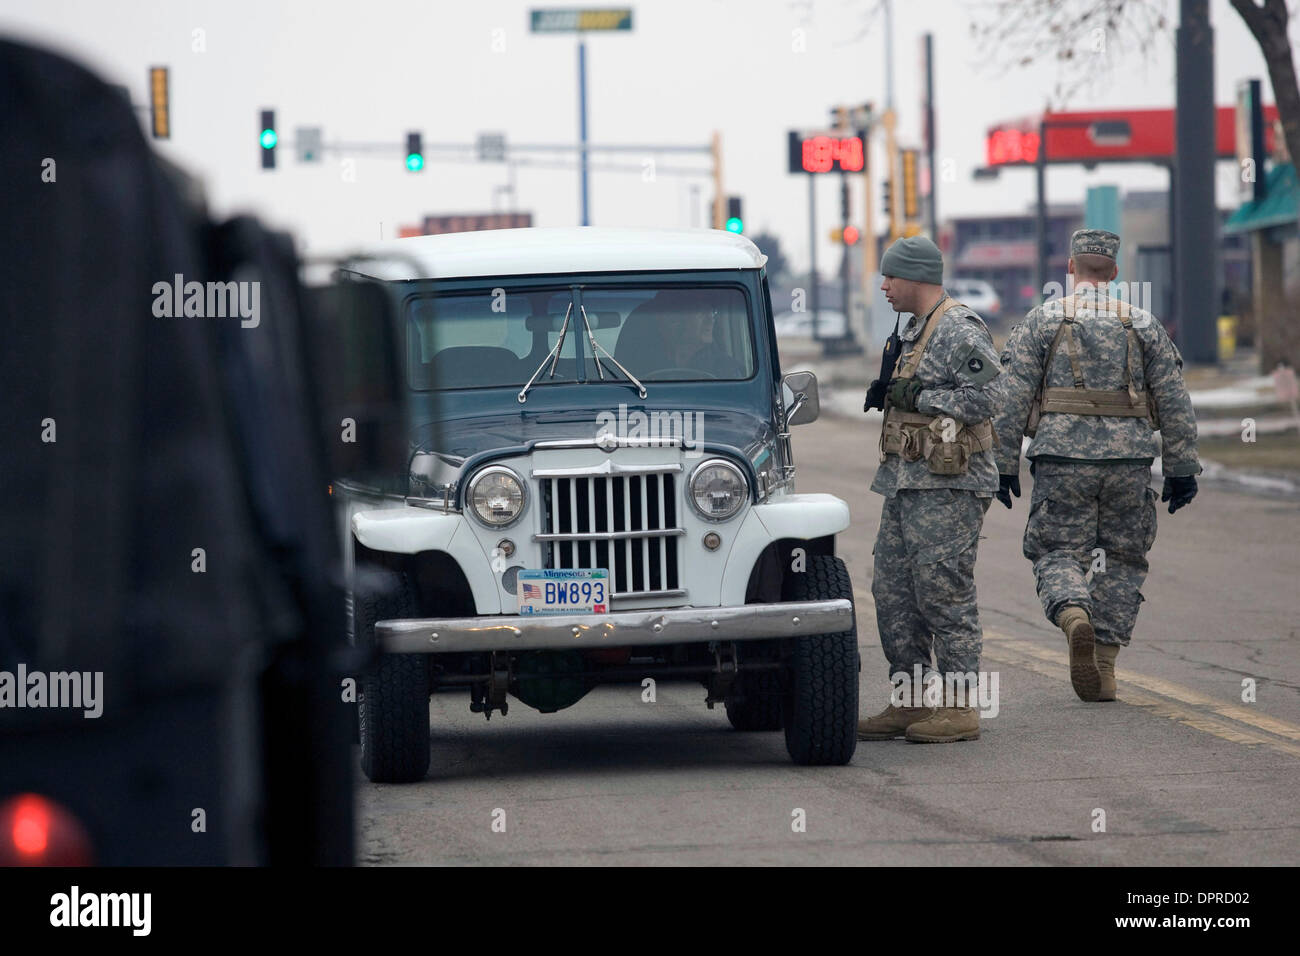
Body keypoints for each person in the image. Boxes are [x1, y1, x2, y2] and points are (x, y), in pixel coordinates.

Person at [991, 229, 1200, 702]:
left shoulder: (1043, 321)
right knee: (1123, 559)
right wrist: (1182, 465)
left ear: (1070, 268)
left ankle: (1073, 614)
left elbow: (1010, 398)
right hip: (1129, 461)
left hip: (1062, 459)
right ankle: (1103, 667)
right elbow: (1173, 398)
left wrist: (1002, 465)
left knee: (1058, 551)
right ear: (1115, 274)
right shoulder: (1142, 324)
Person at [857, 236, 1001, 744]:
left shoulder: (957, 329)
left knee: (943, 590)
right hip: (906, 481)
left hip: (948, 485)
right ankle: (911, 700)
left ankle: (962, 707)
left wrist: (922, 394)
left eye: (890, 277)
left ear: (914, 276)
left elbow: (990, 396)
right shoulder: (916, 331)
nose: (883, 286)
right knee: (893, 592)